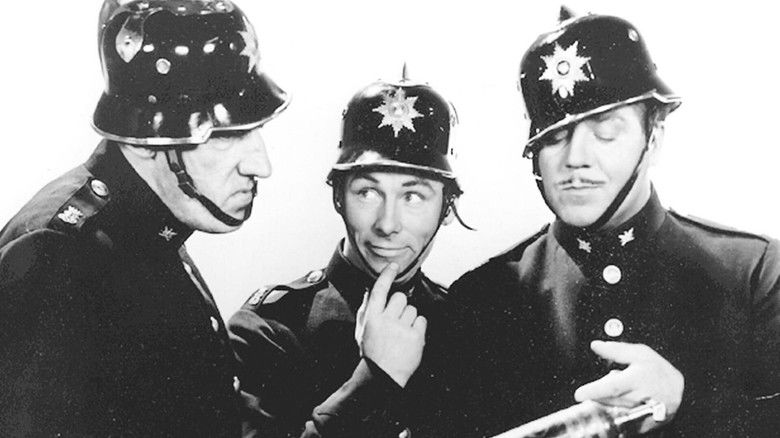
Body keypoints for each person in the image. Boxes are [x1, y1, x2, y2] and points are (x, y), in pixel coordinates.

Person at [450, 8, 780, 437]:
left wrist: (687, 401)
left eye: (605, 131)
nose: (575, 158)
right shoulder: (481, 300)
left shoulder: (754, 273)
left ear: (653, 140)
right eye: (554, 136)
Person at [0, 0, 289, 435]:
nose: (261, 165)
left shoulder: (145, 231)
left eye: (255, 130)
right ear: (142, 140)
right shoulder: (58, 259)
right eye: (225, 135)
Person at [228, 70, 479, 437]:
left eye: (413, 196)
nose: (388, 224)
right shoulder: (269, 329)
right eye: (367, 193)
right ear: (338, 197)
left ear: (447, 207)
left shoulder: (467, 324)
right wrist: (374, 380)